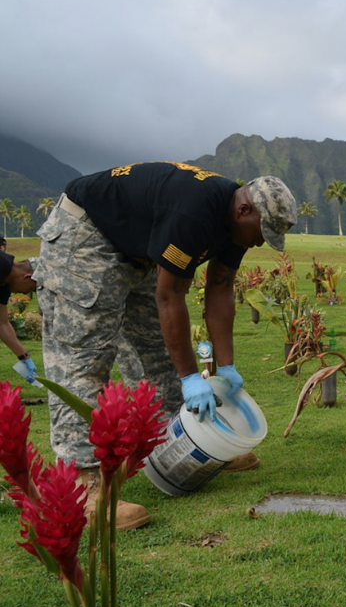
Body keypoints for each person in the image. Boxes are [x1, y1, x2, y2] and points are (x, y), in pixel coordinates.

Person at [33, 161, 298, 529]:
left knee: (157, 351)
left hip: (134, 251)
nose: (259, 242)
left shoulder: (233, 223)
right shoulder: (194, 211)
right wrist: (192, 377)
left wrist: (227, 366)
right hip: (86, 238)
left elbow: (220, 291)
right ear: (244, 210)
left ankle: (185, 442)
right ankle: (83, 488)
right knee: (83, 357)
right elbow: (170, 295)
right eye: (261, 232)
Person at [0, 252, 40, 384]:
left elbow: (2, 324)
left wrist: (24, 357)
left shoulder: (4, 285)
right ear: (28, 277)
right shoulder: (2, 264)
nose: (25, 293)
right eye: (32, 289)